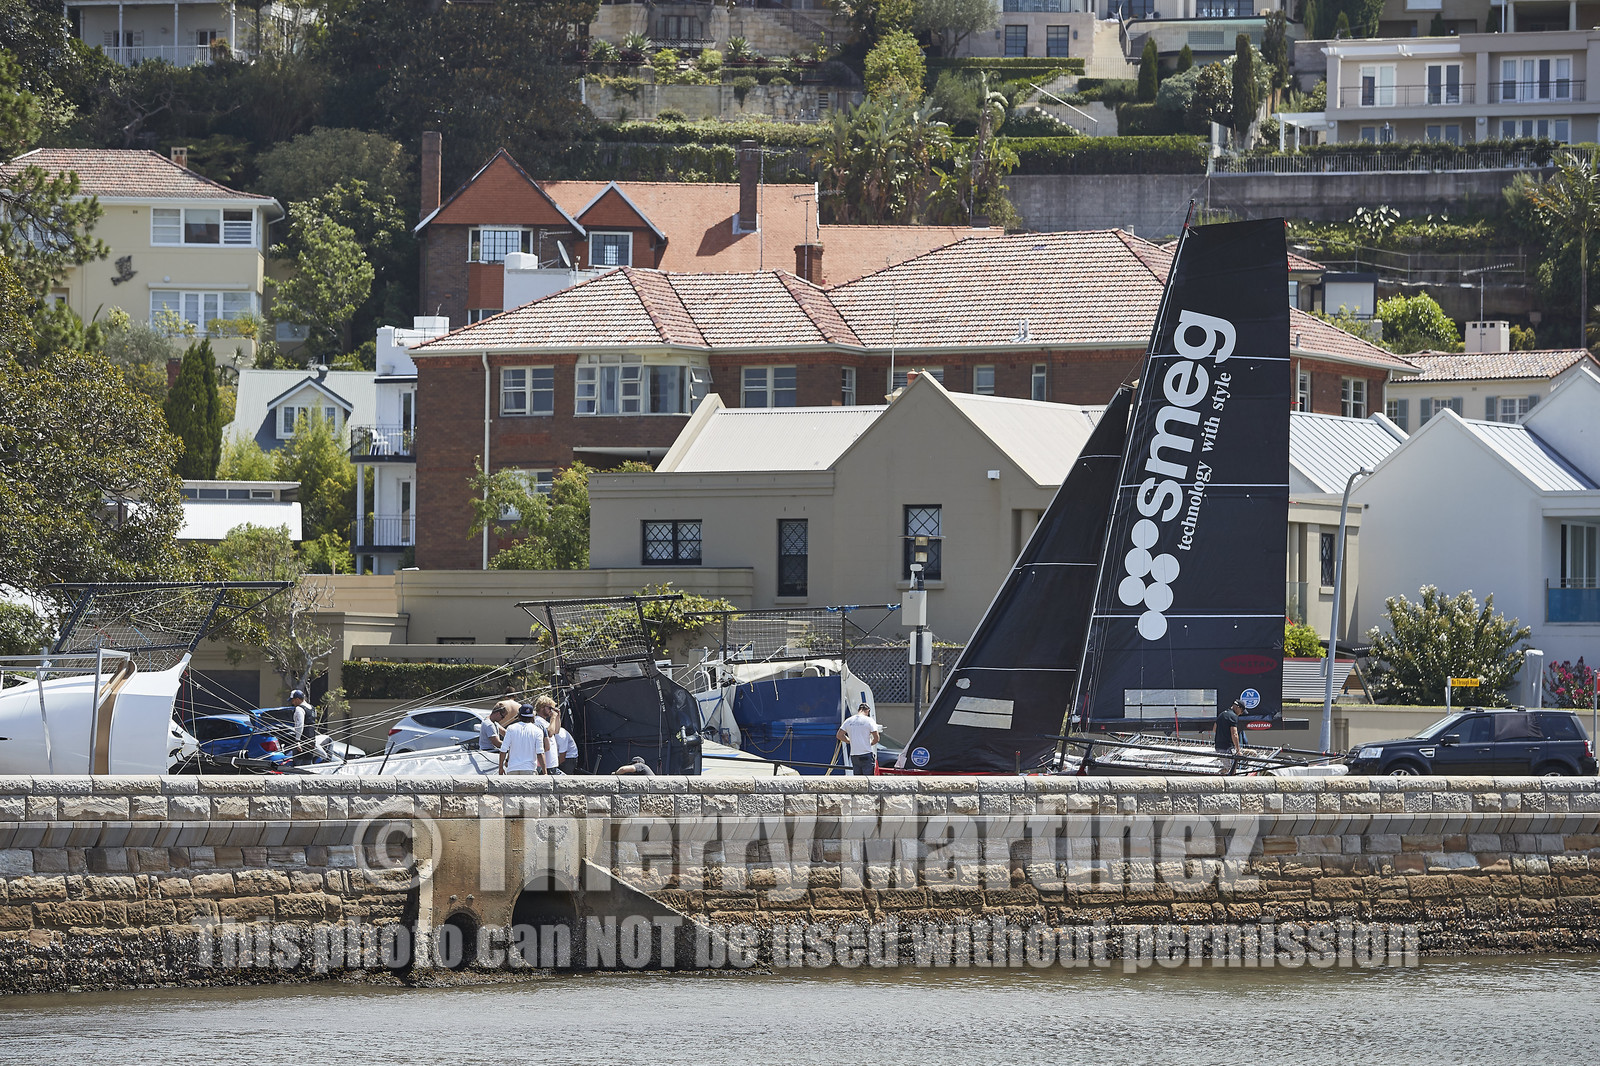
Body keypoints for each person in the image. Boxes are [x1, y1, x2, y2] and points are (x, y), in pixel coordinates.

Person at [499, 704, 549, 776]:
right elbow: (540, 753)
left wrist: (500, 767)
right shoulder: (538, 731)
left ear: (519, 716)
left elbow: (503, 750)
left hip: (512, 769)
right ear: (532, 716)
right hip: (529, 769)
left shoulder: (511, 728)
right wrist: (545, 772)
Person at [837, 701, 881, 777]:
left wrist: (849, 741)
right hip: (866, 754)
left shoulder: (849, 720)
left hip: (854, 755)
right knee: (868, 780)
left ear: (859, 710)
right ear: (868, 711)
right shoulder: (869, 720)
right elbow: (876, 738)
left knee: (858, 780)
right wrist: (870, 743)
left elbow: (839, 735)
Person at [532, 695, 564, 775]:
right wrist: (553, 717)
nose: (551, 711)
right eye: (550, 708)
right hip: (546, 763)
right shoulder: (538, 721)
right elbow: (549, 733)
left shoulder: (545, 722)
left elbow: (556, 731)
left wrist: (557, 717)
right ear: (542, 707)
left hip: (551, 763)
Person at [1214, 698, 1246, 768]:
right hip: (1227, 748)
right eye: (1242, 711)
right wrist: (1238, 750)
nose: (1241, 713)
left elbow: (1214, 729)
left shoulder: (1221, 714)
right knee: (1231, 769)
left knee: (1227, 768)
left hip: (1218, 747)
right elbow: (1234, 734)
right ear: (1238, 708)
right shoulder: (1233, 716)